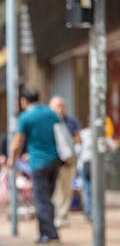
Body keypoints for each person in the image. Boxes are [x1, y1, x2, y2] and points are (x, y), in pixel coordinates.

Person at [8, 87, 61, 244]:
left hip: (38, 162)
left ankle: (49, 234)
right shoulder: (52, 113)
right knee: (48, 198)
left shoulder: (25, 117)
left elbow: (18, 142)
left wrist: (12, 158)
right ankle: (49, 231)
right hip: (55, 162)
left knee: (41, 199)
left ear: (24, 101)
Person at [49, 96, 81, 228]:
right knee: (56, 191)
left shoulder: (71, 121)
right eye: (57, 106)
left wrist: (68, 148)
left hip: (69, 162)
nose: (60, 109)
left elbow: (78, 138)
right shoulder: (49, 121)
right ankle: (56, 215)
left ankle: (63, 216)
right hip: (54, 163)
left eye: (62, 105)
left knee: (67, 190)